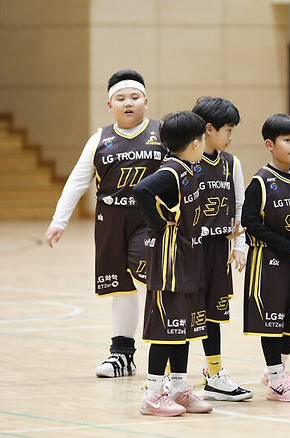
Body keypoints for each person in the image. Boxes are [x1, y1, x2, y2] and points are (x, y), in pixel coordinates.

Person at [45, 69, 165, 378]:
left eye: (135, 97)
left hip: (149, 219)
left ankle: (168, 346)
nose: (128, 103)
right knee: (120, 287)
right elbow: (77, 180)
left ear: (146, 101)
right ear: (109, 105)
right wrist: (60, 220)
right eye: (121, 98)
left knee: (150, 275)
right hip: (110, 219)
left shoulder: (163, 134)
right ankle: (122, 354)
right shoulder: (100, 139)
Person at [133, 111, 212, 416]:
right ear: (195, 143)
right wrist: (157, 223)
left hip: (188, 261)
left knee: (185, 329)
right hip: (170, 266)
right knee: (166, 331)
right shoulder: (171, 171)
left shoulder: (187, 169)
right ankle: (153, 395)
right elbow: (142, 190)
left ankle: (178, 389)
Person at [241, 114, 290, 402]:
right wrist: (285, 246)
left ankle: (275, 369)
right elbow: (249, 222)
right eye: (287, 140)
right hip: (267, 261)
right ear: (270, 145)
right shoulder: (260, 182)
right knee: (270, 321)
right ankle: (276, 379)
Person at [191, 97, 252, 401]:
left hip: (218, 250)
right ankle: (167, 378)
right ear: (209, 129)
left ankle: (214, 375)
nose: (230, 137)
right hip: (189, 249)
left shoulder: (231, 163)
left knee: (213, 315)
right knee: (183, 312)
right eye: (228, 130)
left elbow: (239, 206)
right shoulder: (184, 160)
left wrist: (240, 245)